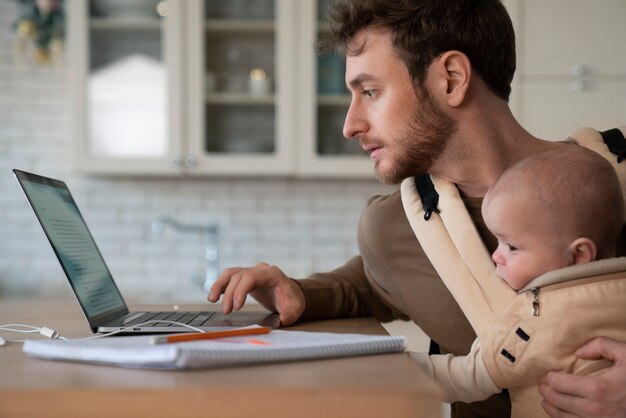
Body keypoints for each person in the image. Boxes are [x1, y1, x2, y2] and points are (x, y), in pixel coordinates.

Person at [208, 1, 626, 416]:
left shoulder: (614, 183)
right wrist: (299, 292)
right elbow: (373, 283)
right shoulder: (394, 228)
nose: (350, 125)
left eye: (370, 91)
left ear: (451, 78)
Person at [408, 146, 626, 417]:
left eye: (511, 246)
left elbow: (464, 378)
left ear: (579, 254)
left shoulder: (532, 322)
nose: (496, 256)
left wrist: (396, 365)